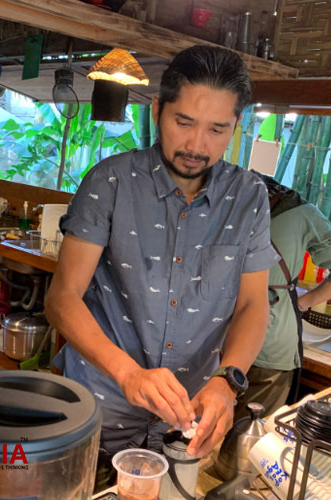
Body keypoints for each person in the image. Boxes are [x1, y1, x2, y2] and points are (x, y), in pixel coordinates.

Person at [45, 45, 278, 465]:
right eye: (183, 122)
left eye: (216, 130)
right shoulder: (110, 181)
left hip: (186, 420)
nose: (196, 144)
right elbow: (62, 298)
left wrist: (227, 380)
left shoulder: (249, 196)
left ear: (236, 126)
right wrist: (128, 373)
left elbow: (252, 304)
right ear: (157, 110)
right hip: (100, 408)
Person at [235, 174, 331, 418]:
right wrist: (302, 302)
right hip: (272, 341)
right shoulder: (300, 212)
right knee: (253, 433)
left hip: (215, 339)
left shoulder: (220, 207)